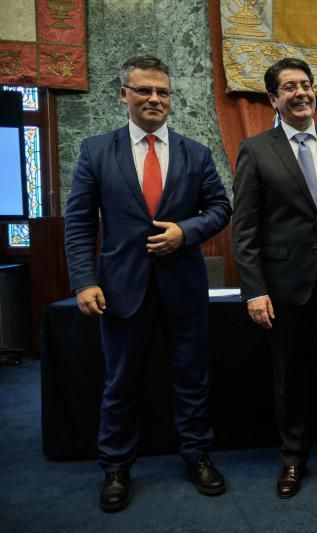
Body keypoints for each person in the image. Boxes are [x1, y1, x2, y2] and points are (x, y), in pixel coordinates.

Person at [64, 55, 232, 512]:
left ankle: (197, 457)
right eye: (144, 90)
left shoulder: (195, 153)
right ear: (124, 95)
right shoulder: (97, 151)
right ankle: (116, 467)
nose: (154, 99)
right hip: (120, 290)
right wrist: (83, 281)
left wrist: (186, 232)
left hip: (184, 288)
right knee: (120, 383)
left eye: (162, 92)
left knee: (192, 381)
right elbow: (79, 222)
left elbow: (221, 208)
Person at [232, 57, 317, 498]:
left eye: (305, 85)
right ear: (274, 99)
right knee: (289, 378)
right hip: (283, 287)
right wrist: (253, 289)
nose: (300, 93)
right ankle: (292, 458)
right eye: (288, 87)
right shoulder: (255, 149)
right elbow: (246, 227)